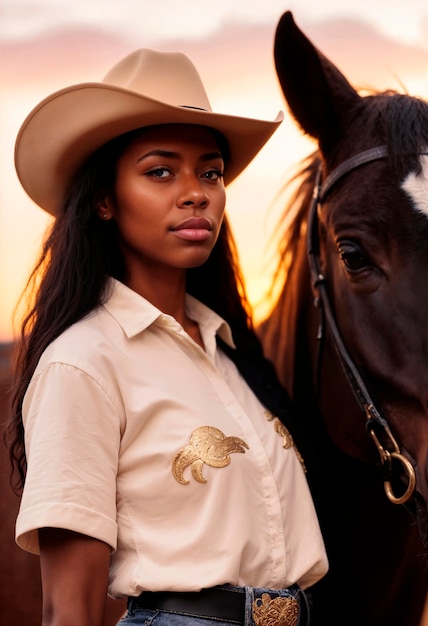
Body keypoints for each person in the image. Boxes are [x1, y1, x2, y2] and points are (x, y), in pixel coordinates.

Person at [6, 47, 328, 626]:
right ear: (104, 200)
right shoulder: (84, 363)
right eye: (161, 171)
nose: (196, 192)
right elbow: (69, 608)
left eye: (210, 172)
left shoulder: (235, 359)